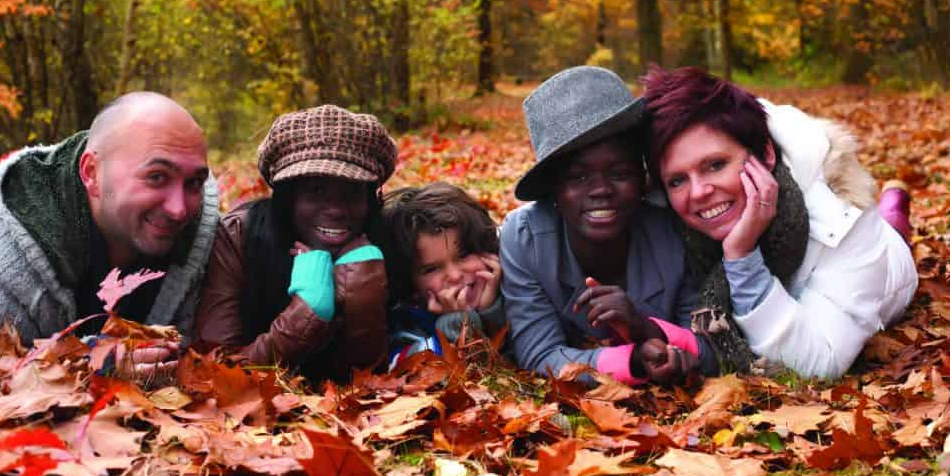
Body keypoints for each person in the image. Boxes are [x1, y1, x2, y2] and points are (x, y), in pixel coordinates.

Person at [642, 66, 918, 379]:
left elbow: (819, 363)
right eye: (677, 180)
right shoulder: (663, 218)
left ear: (766, 155)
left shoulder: (842, 222)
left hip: (891, 268)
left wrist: (742, 257)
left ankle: (895, 203)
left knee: (893, 230)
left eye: (716, 165)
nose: (699, 192)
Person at [0, 92, 219, 378]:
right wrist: (94, 366)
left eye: (194, 183)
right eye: (157, 177)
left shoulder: (204, 238)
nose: (178, 209)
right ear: (91, 173)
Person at [500, 66, 715, 386]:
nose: (601, 190)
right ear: (553, 190)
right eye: (579, 177)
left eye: (619, 173)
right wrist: (633, 362)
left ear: (644, 181)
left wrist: (645, 328)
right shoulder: (524, 240)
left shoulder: (674, 230)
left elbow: (711, 349)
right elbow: (540, 355)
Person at [192, 105, 397, 380]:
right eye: (316, 190)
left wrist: (362, 296)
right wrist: (308, 311)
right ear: (288, 197)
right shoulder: (238, 238)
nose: (336, 209)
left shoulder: (384, 240)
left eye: (350, 191)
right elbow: (213, 373)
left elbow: (369, 384)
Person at [378, 183, 505, 368]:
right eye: (431, 269)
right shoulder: (407, 322)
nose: (454, 276)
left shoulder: (519, 282)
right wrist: (455, 325)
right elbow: (408, 367)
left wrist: (492, 313)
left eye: (463, 255)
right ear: (410, 283)